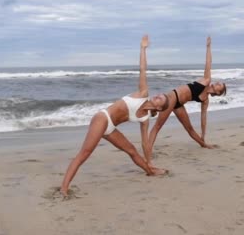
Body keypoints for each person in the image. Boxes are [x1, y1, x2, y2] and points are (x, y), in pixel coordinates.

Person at [60, 35, 169, 197]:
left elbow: (145, 143)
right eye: (159, 95)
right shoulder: (143, 93)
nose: (158, 95)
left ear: (159, 108)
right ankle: (64, 188)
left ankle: (150, 171)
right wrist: (143, 49)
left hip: (110, 128)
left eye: (161, 98)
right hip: (102, 118)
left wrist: (149, 161)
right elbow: (142, 69)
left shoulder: (145, 119)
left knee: (132, 150)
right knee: (85, 153)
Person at [145, 36, 226, 169]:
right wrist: (208, 47)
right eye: (219, 83)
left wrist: (203, 135)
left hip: (179, 105)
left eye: (220, 86)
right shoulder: (206, 80)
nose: (217, 83)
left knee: (189, 129)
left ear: (218, 93)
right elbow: (208, 63)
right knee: (157, 128)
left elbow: (203, 117)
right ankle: (147, 154)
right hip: (171, 98)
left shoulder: (205, 101)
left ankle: (203, 144)